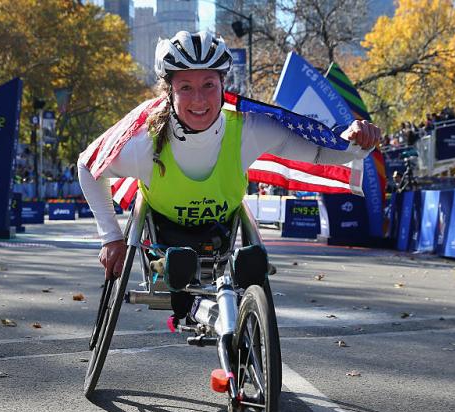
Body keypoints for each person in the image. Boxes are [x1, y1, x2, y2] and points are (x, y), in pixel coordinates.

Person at [77, 31, 380, 319]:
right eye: (185, 87)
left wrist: (356, 143)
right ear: (169, 93)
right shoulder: (145, 144)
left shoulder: (249, 130)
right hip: (164, 237)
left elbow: (316, 151)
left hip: (221, 232)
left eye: (208, 85)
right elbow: (88, 167)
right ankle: (177, 282)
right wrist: (111, 238)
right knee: (177, 264)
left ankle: (239, 305)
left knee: (253, 264)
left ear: (224, 85)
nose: (199, 100)